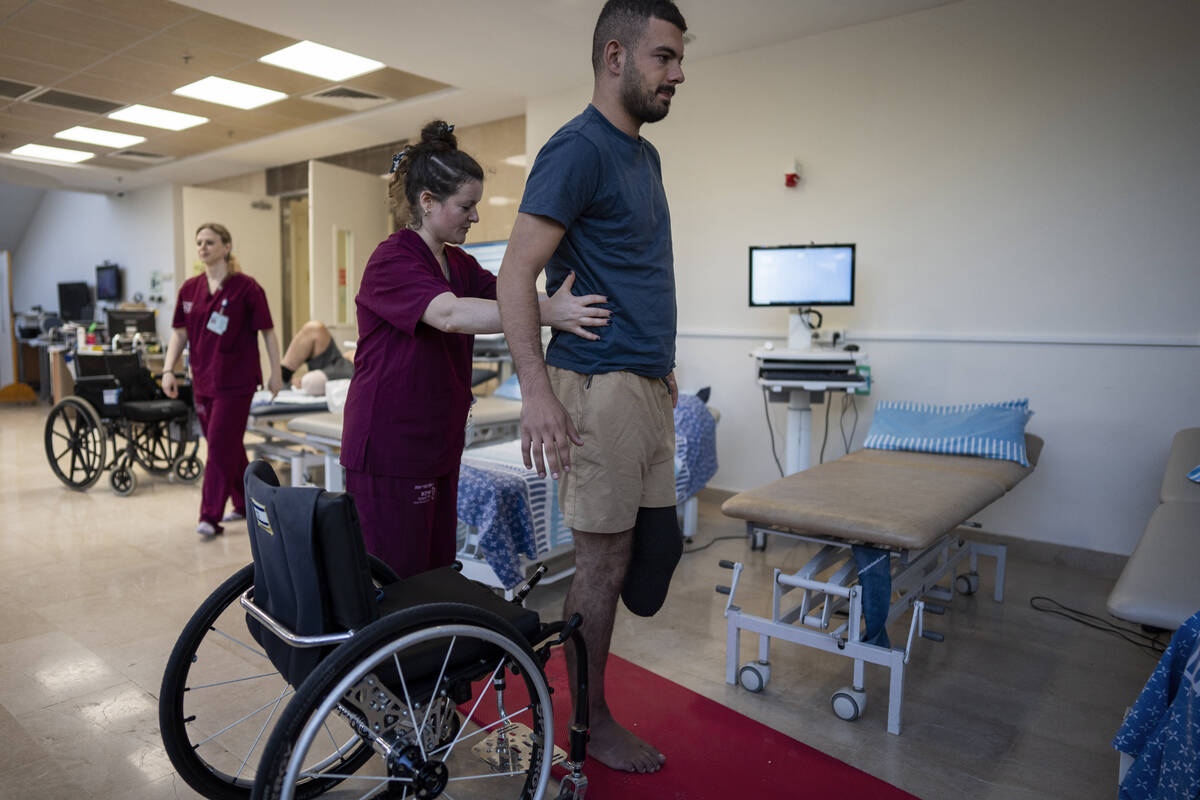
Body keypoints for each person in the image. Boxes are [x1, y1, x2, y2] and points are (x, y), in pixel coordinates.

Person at [496, 0, 687, 774]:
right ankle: (588, 721)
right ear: (615, 56)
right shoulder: (575, 149)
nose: (677, 73)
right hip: (596, 388)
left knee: (656, 553)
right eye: (663, 58)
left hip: (646, 381)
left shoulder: (645, 155)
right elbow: (516, 274)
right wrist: (536, 392)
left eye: (679, 59)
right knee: (602, 563)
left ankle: (585, 697)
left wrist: (659, 357)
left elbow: (638, 268)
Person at [339, 120, 610, 581]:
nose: (476, 217)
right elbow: (450, 314)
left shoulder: (458, 263)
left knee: (437, 571)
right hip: (390, 448)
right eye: (466, 206)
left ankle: (431, 651)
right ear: (427, 202)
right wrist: (549, 313)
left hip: (438, 444)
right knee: (396, 579)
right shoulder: (392, 259)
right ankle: (391, 655)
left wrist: (557, 303)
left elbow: (513, 299)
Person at [162, 223, 283, 537]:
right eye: (199, 242)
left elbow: (268, 332)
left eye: (210, 242)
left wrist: (276, 372)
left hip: (236, 382)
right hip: (202, 380)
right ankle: (245, 503)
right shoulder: (189, 290)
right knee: (227, 446)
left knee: (217, 447)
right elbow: (179, 333)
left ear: (226, 247)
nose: (202, 247)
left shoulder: (247, 288)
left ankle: (208, 516)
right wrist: (167, 369)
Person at [280, 320, 353, 395]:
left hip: (353, 373)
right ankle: (282, 376)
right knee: (315, 329)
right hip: (342, 361)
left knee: (310, 381)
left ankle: (288, 381)